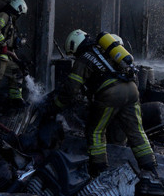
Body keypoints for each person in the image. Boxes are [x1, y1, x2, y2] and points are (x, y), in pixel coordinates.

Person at [54, 29, 158, 177]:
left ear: (75, 46)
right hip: (131, 90)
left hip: (111, 93)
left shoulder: (84, 58)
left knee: (95, 131)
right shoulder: (105, 50)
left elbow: (71, 88)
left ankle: (99, 169)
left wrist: (57, 104)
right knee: (136, 131)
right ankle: (150, 167)